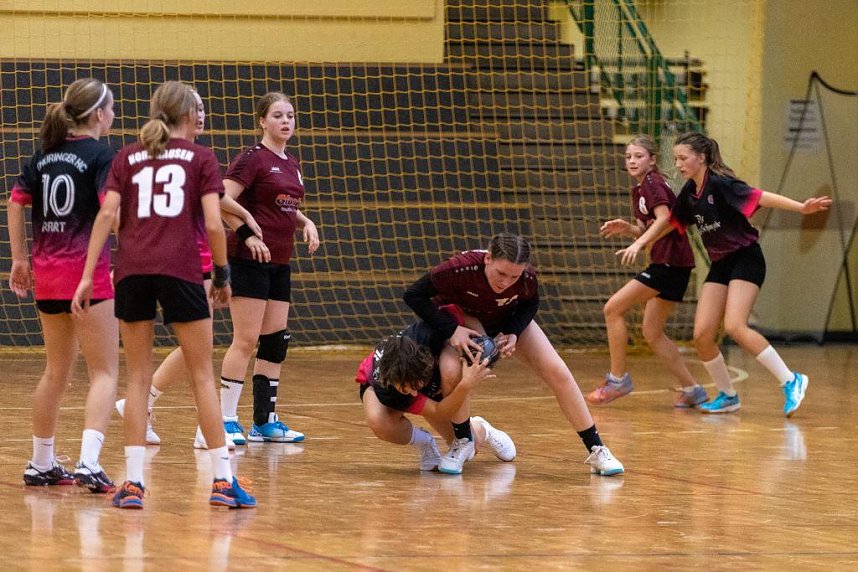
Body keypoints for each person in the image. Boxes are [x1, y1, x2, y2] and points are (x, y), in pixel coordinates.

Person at [72, 80, 256, 509]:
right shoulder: (201, 158)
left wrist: (86, 276)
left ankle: (133, 483)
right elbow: (214, 224)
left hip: (132, 272)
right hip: (182, 271)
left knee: (136, 378)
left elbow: (107, 215)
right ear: (189, 116)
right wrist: (224, 274)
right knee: (202, 376)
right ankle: (223, 482)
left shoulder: (127, 156)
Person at [618, 132, 831, 416]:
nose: (678, 165)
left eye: (683, 158)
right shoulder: (688, 195)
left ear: (701, 157)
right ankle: (728, 395)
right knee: (703, 335)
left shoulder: (720, 184)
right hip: (721, 263)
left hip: (746, 258)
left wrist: (801, 207)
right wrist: (639, 238)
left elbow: (761, 197)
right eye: (677, 159)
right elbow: (668, 223)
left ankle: (791, 380)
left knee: (734, 326)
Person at [113, 88, 266, 450]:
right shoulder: (194, 159)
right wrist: (226, 263)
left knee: (195, 350)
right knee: (201, 358)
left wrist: (243, 217)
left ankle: (143, 405)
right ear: (179, 112)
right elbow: (215, 214)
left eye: (203, 106)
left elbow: (218, 200)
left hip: (149, 265)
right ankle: (207, 437)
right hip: (188, 263)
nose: (201, 113)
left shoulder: (155, 158)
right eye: (195, 107)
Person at [403, 232, 624, 476]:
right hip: (462, 321)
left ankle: (597, 448)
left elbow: (530, 303)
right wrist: (452, 330)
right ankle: (464, 441)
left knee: (557, 371)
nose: (506, 282)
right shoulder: (458, 270)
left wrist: (514, 332)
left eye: (514, 276)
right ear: (487, 258)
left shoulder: (527, 278)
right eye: (501, 273)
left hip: (505, 320)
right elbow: (413, 295)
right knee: (452, 372)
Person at [7, 77, 118, 493]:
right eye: (111, 108)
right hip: (85, 276)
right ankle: (90, 462)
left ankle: (41, 462)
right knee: (105, 371)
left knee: (56, 370)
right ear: (96, 115)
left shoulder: (42, 157)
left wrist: (19, 258)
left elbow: (15, 203)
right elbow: (112, 214)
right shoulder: (101, 156)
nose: (114, 115)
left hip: (47, 276)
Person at [217, 92, 319, 445]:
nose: (286, 121)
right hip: (249, 261)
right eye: (278, 115)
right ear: (262, 121)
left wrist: (306, 222)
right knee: (245, 339)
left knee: (275, 342)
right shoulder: (252, 159)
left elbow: (283, 206)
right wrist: (246, 232)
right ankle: (227, 419)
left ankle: (265, 421)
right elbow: (220, 198)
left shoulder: (291, 162)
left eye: (290, 115)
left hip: (280, 261)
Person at [586, 135, 708, 408]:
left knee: (613, 308)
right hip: (674, 264)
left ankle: (618, 381)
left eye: (638, 156)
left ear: (652, 159)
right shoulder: (641, 189)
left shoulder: (653, 182)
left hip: (669, 263)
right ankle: (692, 389)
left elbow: (666, 218)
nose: (632, 161)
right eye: (628, 156)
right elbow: (653, 225)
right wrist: (629, 229)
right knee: (652, 332)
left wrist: (639, 242)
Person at [356, 317, 516, 474]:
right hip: (378, 382)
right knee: (379, 421)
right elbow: (440, 411)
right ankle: (425, 442)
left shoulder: (429, 333)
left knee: (470, 448)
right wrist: (466, 384)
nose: (413, 394)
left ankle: (482, 429)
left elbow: (462, 316)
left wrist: (487, 341)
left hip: (427, 364)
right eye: (406, 390)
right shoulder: (388, 390)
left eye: (415, 387)